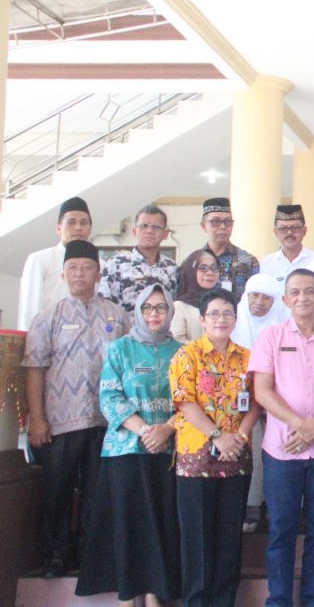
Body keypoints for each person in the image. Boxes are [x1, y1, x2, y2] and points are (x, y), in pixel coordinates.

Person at [22, 239, 131, 577]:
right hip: (60, 422)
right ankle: (56, 555)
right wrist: (37, 420)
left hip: (106, 422)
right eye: (73, 268)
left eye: (86, 268)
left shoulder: (118, 316)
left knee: (97, 493)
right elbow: (34, 369)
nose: (79, 273)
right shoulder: (47, 317)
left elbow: (130, 367)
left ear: (98, 274)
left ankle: (90, 556)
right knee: (56, 490)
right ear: (63, 274)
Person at [75, 284, 182, 605]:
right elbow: (109, 397)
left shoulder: (183, 352)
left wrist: (166, 430)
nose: (154, 314)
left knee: (161, 524)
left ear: (170, 312)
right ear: (137, 311)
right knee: (128, 524)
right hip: (126, 451)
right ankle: (127, 595)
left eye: (161, 308)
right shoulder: (120, 349)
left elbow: (192, 401)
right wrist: (146, 431)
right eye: (148, 307)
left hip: (168, 451)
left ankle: (154, 593)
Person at [249, 269, 314, 607]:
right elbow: (262, 391)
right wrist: (299, 424)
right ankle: (278, 600)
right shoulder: (270, 337)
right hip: (282, 450)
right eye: (295, 292)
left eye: (309, 291)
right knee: (281, 530)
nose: (302, 297)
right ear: (286, 299)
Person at [168, 287, 260, 607]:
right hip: (196, 461)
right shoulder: (187, 355)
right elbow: (185, 402)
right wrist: (217, 436)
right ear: (202, 320)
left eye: (227, 314)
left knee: (229, 537)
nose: (221, 320)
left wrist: (240, 438)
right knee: (197, 539)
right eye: (214, 314)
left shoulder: (248, 357)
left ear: (235, 318)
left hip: (235, 458)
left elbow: (255, 403)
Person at [231, 273, 288, 532]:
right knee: (248, 451)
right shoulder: (233, 325)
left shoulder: (283, 327)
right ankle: (249, 506)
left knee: (275, 455)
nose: (259, 302)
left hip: (277, 400)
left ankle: (270, 508)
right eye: (254, 295)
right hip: (239, 403)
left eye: (267, 298)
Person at [18, 196, 92, 330]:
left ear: (90, 229)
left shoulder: (100, 264)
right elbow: (30, 309)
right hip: (48, 335)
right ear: (59, 228)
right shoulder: (40, 259)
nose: (78, 228)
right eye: (71, 222)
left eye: (83, 223)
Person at [176, 197, 260, 304]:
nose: (223, 227)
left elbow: (256, 300)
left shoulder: (248, 261)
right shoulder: (191, 263)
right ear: (203, 226)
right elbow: (181, 297)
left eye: (228, 222)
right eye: (215, 221)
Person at [99, 204, 178, 313]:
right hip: (125, 324)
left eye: (156, 227)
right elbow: (103, 304)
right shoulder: (116, 264)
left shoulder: (172, 268)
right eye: (144, 226)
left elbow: (176, 307)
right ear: (134, 231)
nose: (149, 231)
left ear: (165, 234)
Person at [260, 204, 314, 283]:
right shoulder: (266, 264)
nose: (289, 232)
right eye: (283, 228)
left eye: (295, 228)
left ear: (304, 231)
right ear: (276, 232)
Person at [172, 249, 219, 343]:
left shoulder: (222, 303)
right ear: (191, 271)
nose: (210, 273)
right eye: (203, 268)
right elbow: (178, 340)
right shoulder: (180, 307)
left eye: (214, 268)